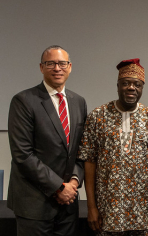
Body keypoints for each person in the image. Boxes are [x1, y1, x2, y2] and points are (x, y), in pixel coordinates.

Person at [7, 45, 87, 235]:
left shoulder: (79, 102)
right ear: (41, 68)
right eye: (50, 63)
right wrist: (59, 187)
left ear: (70, 67)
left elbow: (81, 150)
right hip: (34, 204)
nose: (57, 68)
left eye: (62, 63)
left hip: (67, 205)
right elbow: (23, 155)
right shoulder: (24, 100)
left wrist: (74, 183)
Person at [78, 58, 148, 236]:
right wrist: (91, 206)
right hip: (108, 210)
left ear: (142, 88)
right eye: (126, 83)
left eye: (137, 84)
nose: (132, 88)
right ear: (117, 86)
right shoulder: (98, 116)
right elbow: (89, 162)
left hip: (145, 210)